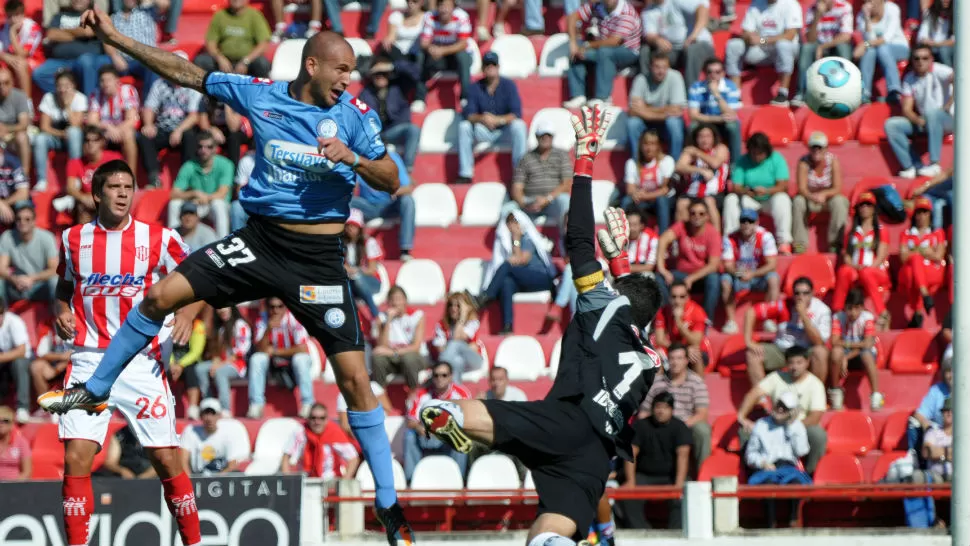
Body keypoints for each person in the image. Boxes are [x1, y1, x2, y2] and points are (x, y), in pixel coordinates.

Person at [39, 19, 415, 542]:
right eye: (341, 69)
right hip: (261, 243)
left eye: (351, 72)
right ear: (311, 65)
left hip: (318, 262)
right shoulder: (259, 97)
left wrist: (352, 158)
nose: (347, 80)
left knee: (355, 379)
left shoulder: (352, 118)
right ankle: (96, 391)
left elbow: (392, 179)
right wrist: (116, 39)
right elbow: (185, 71)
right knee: (159, 295)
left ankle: (389, 506)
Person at [419, 107, 665, 546]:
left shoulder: (599, 304)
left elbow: (577, 239)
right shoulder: (652, 358)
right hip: (596, 453)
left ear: (619, 292)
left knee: (495, 416)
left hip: (567, 417)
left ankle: (452, 413)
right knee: (549, 532)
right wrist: (622, 260)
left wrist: (585, 162)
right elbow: (633, 305)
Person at [43, 160, 203, 546]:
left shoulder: (159, 238)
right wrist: (62, 311)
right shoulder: (73, 240)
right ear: (97, 194)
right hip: (88, 358)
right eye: (114, 187)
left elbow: (201, 278)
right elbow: (62, 292)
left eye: (128, 187)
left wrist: (186, 313)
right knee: (76, 458)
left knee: (166, 460)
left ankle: (195, 543)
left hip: (142, 362)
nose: (122, 194)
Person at [737, 345, 827, 474]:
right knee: (744, 431)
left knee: (818, 434)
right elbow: (754, 393)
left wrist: (793, 427)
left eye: (799, 362)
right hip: (774, 423)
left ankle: (811, 473)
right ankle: (751, 474)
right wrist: (742, 417)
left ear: (807, 362)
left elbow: (815, 417)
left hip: (801, 425)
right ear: (786, 363)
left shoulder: (815, 384)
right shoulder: (776, 377)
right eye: (791, 363)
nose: (794, 366)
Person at [478, 210, 558, 334]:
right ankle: (507, 326)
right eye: (509, 223)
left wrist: (516, 238)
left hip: (541, 277)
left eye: (514, 222)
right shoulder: (507, 241)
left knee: (507, 266)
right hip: (524, 279)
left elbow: (521, 259)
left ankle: (488, 295)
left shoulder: (527, 238)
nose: (511, 226)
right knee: (506, 283)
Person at [620, 392, 689, 530]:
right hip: (644, 476)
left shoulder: (680, 427)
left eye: (665, 407)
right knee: (627, 496)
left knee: (684, 496)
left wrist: (679, 484)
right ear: (652, 408)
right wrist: (631, 481)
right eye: (657, 406)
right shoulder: (640, 426)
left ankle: (675, 534)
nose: (661, 411)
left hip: (671, 476)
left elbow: (683, 455)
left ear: (671, 409)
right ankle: (641, 532)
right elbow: (630, 453)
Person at [743, 276, 831, 384]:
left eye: (805, 293)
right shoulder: (783, 305)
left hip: (805, 351)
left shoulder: (822, 310)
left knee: (820, 352)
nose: (800, 297)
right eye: (797, 293)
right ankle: (763, 398)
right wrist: (748, 342)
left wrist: (803, 315)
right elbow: (751, 312)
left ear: (812, 293)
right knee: (752, 354)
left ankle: (816, 395)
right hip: (782, 350)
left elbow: (819, 342)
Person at [457, 51, 527, 184]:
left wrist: (498, 119)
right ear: (482, 68)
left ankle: (520, 174)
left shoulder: (509, 85)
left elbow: (516, 113)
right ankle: (465, 174)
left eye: (493, 64)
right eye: (487, 65)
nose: (490, 68)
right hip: (483, 131)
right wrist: (482, 118)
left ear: (498, 67)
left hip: (504, 131)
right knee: (464, 127)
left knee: (519, 126)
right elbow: (468, 114)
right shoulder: (474, 87)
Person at [884, 45, 953, 179]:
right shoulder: (909, 78)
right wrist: (917, 120)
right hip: (926, 120)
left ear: (931, 59)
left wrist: (949, 104)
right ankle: (911, 166)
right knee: (891, 125)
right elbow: (907, 109)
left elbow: (960, 79)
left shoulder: (939, 69)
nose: (921, 61)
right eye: (917, 58)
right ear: (912, 60)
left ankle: (935, 164)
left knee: (933, 114)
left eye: (925, 58)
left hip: (949, 119)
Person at [744, 390, 811, 526]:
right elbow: (750, 454)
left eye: (785, 407)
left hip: (788, 467)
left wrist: (791, 426)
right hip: (767, 468)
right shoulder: (761, 425)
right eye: (778, 404)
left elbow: (802, 451)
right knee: (768, 484)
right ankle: (770, 524)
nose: (780, 409)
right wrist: (762, 463)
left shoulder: (797, 426)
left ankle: (793, 521)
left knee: (796, 483)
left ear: (792, 411)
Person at [137, 54, 203, 188]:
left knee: (189, 136)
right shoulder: (159, 84)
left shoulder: (192, 86)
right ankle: (154, 178)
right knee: (144, 136)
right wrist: (149, 125)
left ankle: (187, 180)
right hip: (163, 128)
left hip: (183, 129)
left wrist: (178, 130)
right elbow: (149, 108)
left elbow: (193, 116)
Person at [640, 344, 711, 467]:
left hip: (686, 424)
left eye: (679, 358)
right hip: (659, 424)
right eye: (672, 358)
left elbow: (702, 414)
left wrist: (679, 427)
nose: (675, 362)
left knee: (703, 430)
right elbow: (644, 412)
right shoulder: (657, 382)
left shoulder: (696, 382)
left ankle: (703, 474)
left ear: (686, 360)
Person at [723, 132, 794, 254]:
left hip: (770, 199)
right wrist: (746, 191)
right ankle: (730, 240)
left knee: (783, 199)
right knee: (731, 199)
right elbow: (736, 186)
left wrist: (767, 191)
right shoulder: (742, 161)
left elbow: (783, 185)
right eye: (754, 153)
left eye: (760, 153)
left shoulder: (777, 159)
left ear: (767, 152)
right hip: (749, 199)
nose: (756, 157)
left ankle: (783, 242)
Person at [563, 0, 642, 108]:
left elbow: (614, 41)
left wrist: (587, 45)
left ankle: (603, 98)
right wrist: (573, 43)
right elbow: (572, 17)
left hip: (628, 51)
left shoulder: (627, 13)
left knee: (604, 52)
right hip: (602, 47)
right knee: (577, 50)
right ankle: (578, 95)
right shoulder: (597, 5)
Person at [724, 0, 803, 106]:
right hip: (761, 50)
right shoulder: (756, 3)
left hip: (787, 51)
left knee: (783, 45)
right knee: (733, 45)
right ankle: (735, 93)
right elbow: (746, 31)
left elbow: (790, 35)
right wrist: (749, 37)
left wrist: (762, 40)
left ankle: (783, 93)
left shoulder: (791, 4)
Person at [248, 297, 315, 419]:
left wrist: (275, 351)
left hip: (293, 358)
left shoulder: (295, 318)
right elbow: (259, 349)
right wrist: (268, 330)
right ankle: (256, 405)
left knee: (300, 359)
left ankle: (308, 404)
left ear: (285, 307)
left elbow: (302, 348)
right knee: (256, 359)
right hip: (273, 362)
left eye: (280, 306)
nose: (276, 310)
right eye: (272, 307)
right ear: (267, 308)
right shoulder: (262, 320)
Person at [655, 198, 721, 320]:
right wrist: (661, 268)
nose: (697, 216)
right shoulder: (682, 226)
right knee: (659, 278)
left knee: (714, 279)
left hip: (701, 276)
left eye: (701, 213)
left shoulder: (712, 233)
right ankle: (667, 316)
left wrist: (692, 278)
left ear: (707, 216)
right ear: (688, 214)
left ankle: (706, 319)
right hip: (681, 274)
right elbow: (663, 239)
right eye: (693, 213)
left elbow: (713, 265)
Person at [832, 192, 891, 329]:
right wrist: (854, 266)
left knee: (867, 273)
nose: (864, 208)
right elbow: (846, 255)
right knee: (844, 271)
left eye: (868, 205)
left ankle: (882, 312)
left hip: (876, 271)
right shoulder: (852, 231)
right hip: (856, 269)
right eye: (862, 205)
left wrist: (868, 268)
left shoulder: (881, 230)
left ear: (873, 208)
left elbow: (881, 255)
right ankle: (838, 311)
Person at [404, 362, 472, 480]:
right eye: (436, 375)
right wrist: (419, 427)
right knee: (409, 436)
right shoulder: (422, 394)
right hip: (426, 438)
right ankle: (411, 481)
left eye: (444, 375)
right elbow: (410, 421)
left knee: (462, 437)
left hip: (450, 439)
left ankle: (459, 481)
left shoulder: (461, 394)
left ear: (451, 376)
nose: (440, 378)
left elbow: (469, 420)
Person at [720, 208, 781, 334]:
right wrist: (740, 274)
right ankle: (731, 321)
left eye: (750, 221)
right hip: (739, 276)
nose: (747, 224)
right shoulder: (730, 238)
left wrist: (752, 274)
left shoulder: (765, 236)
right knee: (725, 280)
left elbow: (772, 265)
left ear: (757, 223)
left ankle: (769, 319)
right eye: (743, 221)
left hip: (759, 276)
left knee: (774, 278)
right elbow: (728, 265)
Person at [34, 0, 110, 97]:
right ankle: (66, 100)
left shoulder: (92, 15)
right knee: (39, 74)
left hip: (85, 60)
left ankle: (88, 104)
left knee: (86, 62)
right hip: (61, 61)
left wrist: (62, 32)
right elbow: (51, 34)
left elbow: (88, 32)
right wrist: (78, 33)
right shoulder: (60, 15)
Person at [351, 151, 416, 261]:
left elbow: (408, 188)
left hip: (389, 205)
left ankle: (405, 249)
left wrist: (394, 191)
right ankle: (343, 248)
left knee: (408, 201)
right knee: (342, 201)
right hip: (367, 206)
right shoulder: (357, 158)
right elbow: (352, 188)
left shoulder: (392, 158)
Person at [358, 58, 420, 173]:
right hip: (376, 134)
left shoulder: (399, 87)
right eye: (377, 74)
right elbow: (362, 119)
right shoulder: (365, 94)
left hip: (395, 130)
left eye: (384, 73)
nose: (381, 76)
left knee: (413, 129)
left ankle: (407, 170)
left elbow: (416, 73)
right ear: (371, 75)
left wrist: (392, 65)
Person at [167, 131, 234, 237]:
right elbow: (173, 194)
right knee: (174, 204)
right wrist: (194, 193)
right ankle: (172, 243)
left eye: (209, 147)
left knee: (218, 204)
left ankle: (222, 243)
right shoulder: (189, 165)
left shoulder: (226, 164)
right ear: (196, 148)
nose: (204, 150)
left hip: (216, 205)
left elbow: (222, 194)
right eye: (200, 146)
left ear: (215, 148)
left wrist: (203, 197)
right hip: (196, 205)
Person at [792, 132, 850, 254]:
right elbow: (802, 188)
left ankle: (835, 243)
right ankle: (800, 244)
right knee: (798, 201)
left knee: (840, 202)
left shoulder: (833, 161)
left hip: (828, 199)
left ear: (826, 149)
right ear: (809, 148)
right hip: (809, 198)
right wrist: (812, 196)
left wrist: (824, 194)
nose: (816, 150)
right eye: (814, 147)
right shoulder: (803, 162)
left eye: (820, 147)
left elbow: (837, 188)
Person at [626, 50, 687, 164]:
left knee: (674, 123)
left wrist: (646, 108)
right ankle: (637, 164)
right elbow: (632, 110)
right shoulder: (641, 79)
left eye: (664, 67)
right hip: (649, 123)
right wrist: (665, 110)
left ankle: (674, 166)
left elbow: (677, 110)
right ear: (650, 67)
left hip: (665, 124)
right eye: (657, 67)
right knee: (632, 123)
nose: (661, 71)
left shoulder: (675, 77)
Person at [638, 0, 714, 88]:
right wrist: (657, 40)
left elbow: (702, 8)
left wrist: (693, 35)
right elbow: (649, 35)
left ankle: (691, 93)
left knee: (692, 50)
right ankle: (647, 89)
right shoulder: (648, 11)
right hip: (674, 49)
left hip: (699, 44)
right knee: (645, 51)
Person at [510, 121, 573, 226]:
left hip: (553, 201)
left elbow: (567, 184)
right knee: (507, 210)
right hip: (529, 200)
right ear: (536, 136)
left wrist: (547, 199)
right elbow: (517, 187)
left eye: (548, 135)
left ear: (553, 137)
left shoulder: (562, 156)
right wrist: (523, 204)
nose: (545, 138)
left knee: (565, 202)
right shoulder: (526, 158)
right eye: (542, 135)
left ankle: (566, 241)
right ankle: (510, 242)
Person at [828, 288, 881, 411]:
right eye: (849, 308)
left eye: (856, 308)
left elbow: (868, 344)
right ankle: (836, 392)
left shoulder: (867, 317)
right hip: (847, 352)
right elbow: (834, 342)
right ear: (845, 308)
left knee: (866, 355)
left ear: (862, 308)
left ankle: (875, 395)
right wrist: (857, 344)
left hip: (861, 355)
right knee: (836, 352)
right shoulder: (838, 317)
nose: (852, 312)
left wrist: (846, 357)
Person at [414, 0, 473, 111]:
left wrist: (442, 50)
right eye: (440, 5)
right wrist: (431, 49)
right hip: (438, 58)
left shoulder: (462, 17)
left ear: (453, 7)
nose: (443, 9)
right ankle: (419, 98)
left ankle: (465, 98)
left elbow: (463, 44)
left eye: (447, 6)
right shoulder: (429, 16)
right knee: (420, 56)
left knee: (463, 56)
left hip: (456, 59)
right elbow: (424, 42)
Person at [34, 71, 87, 192]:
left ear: (73, 85)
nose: (62, 89)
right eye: (59, 86)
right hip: (56, 137)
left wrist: (67, 106)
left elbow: (75, 125)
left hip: (74, 139)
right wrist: (61, 134)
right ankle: (41, 180)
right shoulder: (49, 98)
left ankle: (75, 177)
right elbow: (44, 127)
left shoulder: (80, 98)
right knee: (40, 138)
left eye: (66, 86)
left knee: (74, 132)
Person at [898, 196, 946, 328]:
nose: (921, 216)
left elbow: (939, 255)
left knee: (913, 265)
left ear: (930, 214)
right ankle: (924, 298)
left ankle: (917, 311)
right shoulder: (906, 233)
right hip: (913, 274)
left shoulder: (937, 233)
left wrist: (915, 252)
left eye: (925, 212)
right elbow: (902, 257)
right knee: (913, 267)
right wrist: (924, 252)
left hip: (932, 272)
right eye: (919, 212)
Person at [794, 0, 853, 105]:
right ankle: (802, 93)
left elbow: (846, 37)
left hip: (835, 45)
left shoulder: (844, 7)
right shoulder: (813, 9)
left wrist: (822, 47)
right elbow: (810, 39)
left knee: (843, 48)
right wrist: (817, 16)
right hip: (818, 45)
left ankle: (846, 92)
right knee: (806, 48)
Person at [195, 306, 252, 415]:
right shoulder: (221, 328)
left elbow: (240, 353)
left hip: (238, 365)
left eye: (225, 307)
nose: (222, 310)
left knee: (220, 372)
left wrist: (219, 365)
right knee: (200, 368)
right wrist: (216, 362)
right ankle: (209, 403)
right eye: (219, 308)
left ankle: (225, 409)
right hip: (223, 362)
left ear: (231, 308)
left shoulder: (241, 325)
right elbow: (218, 353)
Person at [195, 0, 272, 78]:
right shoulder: (220, 15)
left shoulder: (255, 15)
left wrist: (246, 61)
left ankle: (260, 88)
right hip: (224, 61)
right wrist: (220, 58)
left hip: (248, 61)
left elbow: (263, 44)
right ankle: (201, 88)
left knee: (262, 63)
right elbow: (210, 43)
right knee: (201, 61)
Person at [281, 402, 360, 478]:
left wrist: (344, 481)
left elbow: (353, 459)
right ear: (308, 419)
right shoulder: (301, 431)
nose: (317, 422)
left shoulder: (335, 433)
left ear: (326, 420)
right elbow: (286, 456)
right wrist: (288, 481)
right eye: (313, 418)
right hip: (306, 479)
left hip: (330, 480)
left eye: (321, 418)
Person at [0, 202, 59, 303]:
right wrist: (14, 279)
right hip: (16, 285)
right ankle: (2, 315)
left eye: (27, 219)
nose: (22, 222)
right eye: (19, 219)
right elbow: (1, 268)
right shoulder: (7, 237)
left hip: (40, 285)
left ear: (34, 221)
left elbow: (54, 269)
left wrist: (32, 279)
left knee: (55, 282)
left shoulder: (47, 237)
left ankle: (59, 316)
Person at [674, 122, 730, 228]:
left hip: (714, 193)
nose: (704, 140)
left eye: (708, 136)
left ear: (714, 138)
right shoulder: (691, 151)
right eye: (701, 136)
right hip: (692, 193)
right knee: (682, 203)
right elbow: (679, 167)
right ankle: (681, 240)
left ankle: (716, 240)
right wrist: (700, 170)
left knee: (709, 202)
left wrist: (697, 153)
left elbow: (715, 163)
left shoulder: (720, 148)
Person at [62, 126, 123, 223]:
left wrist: (99, 199)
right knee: (82, 208)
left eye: (95, 140)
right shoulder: (75, 163)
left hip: (108, 200)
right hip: (87, 202)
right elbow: (70, 188)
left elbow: (120, 184)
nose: (90, 143)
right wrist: (84, 198)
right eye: (87, 140)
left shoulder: (114, 158)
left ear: (102, 142)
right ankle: (86, 237)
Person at [371, 285, 428, 388]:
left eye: (398, 299)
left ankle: (414, 393)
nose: (395, 303)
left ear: (405, 300)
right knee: (377, 359)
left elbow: (415, 347)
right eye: (392, 299)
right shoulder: (382, 318)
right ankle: (379, 394)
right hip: (391, 359)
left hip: (412, 357)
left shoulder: (417, 316)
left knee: (408, 359)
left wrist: (393, 352)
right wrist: (388, 321)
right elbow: (381, 346)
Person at [87, 66, 139, 174]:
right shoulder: (95, 94)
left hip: (123, 130)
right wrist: (108, 127)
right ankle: (95, 176)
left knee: (128, 134)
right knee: (91, 138)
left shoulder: (127, 91)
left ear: (117, 81)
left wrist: (117, 130)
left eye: (109, 80)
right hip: (105, 131)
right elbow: (92, 121)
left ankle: (131, 176)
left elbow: (131, 119)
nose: (105, 84)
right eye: (102, 80)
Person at [854, 0, 908, 104]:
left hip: (899, 47)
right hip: (876, 49)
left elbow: (887, 38)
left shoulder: (892, 8)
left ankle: (894, 90)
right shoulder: (862, 15)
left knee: (882, 48)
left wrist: (865, 45)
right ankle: (865, 93)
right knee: (869, 51)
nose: (869, 3)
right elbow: (870, 38)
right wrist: (867, 18)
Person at [687, 59, 742, 160]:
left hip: (723, 124)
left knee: (733, 126)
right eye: (709, 72)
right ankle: (692, 161)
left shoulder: (731, 86)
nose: (713, 75)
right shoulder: (696, 87)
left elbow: (731, 114)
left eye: (717, 72)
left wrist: (716, 94)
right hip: (706, 122)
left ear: (723, 73)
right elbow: (693, 115)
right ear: (704, 73)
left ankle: (736, 164)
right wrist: (719, 119)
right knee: (692, 126)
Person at [622, 130, 675, 233]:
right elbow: (630, 189)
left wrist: (644, 196)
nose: (649, 148)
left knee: (661, 200)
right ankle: (623, 235)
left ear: (658, 146)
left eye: (652, 144)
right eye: (646, 144)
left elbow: (665, 189)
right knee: (626, 201)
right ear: (640, 146)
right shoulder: (632, 163)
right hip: (642, 200)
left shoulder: (667, 161)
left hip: (662, 200)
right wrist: (636, 194)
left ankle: (663, 237)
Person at [181, 398, 249, 476]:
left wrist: (216, 480)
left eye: (213, 413)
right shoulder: (190, 431)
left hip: (221, 478)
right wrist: (190, 482)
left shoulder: (229, 432)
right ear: (200, 416)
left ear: (219, 416)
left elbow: (233, 463)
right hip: (197, 477)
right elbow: (183, 461)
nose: (209, 418)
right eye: (206, 413)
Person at [653, 282, 709, 373]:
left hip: (695, 350)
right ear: (669, 297)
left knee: (696, 356)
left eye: (682, 297)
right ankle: (659, 386)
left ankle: (699, 387)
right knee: (657, 357)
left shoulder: (697, 311)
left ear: (688, 297)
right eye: (674, 297)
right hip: (674, 349)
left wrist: (678, 322)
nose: (677, 301)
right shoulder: (663, 312)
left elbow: (696, 341)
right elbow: (659, 340)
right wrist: (684, 350)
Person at [432, 291, 485, 381]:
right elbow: (440, 350)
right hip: (456, 361)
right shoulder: (442, 325)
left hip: (474, 360)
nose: (453, 308)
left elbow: (456, 338)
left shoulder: (472, 322)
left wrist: (462, 317)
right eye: (451, 305)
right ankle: (455, 392)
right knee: (457, 361)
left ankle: (439, 371)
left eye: (458, 306)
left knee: (454, 344)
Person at [109, 0, 160, 92]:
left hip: (144, 60)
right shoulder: (114, 17)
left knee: (153, 66)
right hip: (121, 61)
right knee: (96, 63)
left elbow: (164, 4)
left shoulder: (148, 12)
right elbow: (107, 39)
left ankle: (148, 105)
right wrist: (114, 56)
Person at [343, 208, 384, 318]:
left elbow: (371, 270)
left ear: (360, 228)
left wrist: (356, 270)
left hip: (371, 282)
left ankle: (376, 316)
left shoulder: (369, 242)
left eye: (354, 225)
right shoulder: (341, 244)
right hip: (351, 282)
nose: (350, 228)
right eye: (348, 225)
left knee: (357, 278)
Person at [0, 1, 41, 104]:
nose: (13, 19)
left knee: (20, 64)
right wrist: (6, 57)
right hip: (10, 59)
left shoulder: (32, 27)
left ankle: (27, 105)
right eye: (10, 16)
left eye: (17, 15)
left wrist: (12, 33)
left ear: (23, 14)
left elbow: (22, 54)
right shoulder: (2, 28)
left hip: (34, 60)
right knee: (4, 71)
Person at [28, 322, 73, 412]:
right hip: (54, 368)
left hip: (74, 366)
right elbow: (41, 353)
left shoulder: (80, 327)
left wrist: (62, 365)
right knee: (36, 366)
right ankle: (46, 407)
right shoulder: (48, 328)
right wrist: (61, 357)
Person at [0, 297, 30, 424]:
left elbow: (21, 351)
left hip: (23, 362)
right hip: (4, 363)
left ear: (3, 312)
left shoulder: (14, 322)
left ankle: (23, 408)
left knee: (18, 362)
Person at [0, 67, 31, 178]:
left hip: (13, 135)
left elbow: (24, 124)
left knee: (22, 137)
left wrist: (6, 129)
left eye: (6, 83)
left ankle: (24, 176)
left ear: (12, 82)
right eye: (0, 83)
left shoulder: (19, 96)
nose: (2, 87)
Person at [921, 396, 953, 482]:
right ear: (942, 413)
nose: (949, 413)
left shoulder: (964, 435)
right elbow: (926, 452)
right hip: (935, 476)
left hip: (958, 478)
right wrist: (951, 453)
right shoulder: (933, 432)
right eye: (946, 410)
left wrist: (938, 453)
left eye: (952, 411)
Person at [916, 0, 953, 67]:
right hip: (933, 48)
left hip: (950, 50)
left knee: (943, 50)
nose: (946, 1)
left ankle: (950, 74)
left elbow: (955, 40)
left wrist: (937, 44)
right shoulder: (929, 13)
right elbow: (921, 36)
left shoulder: (956, 15)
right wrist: (925, 40)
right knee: (921, 52)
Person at [623, 209, 659, 276]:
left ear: (641, 225)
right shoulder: (621, 238)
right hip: (626, 274)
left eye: (635, 225)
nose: (631, 228)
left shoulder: (652, 238)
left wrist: (624, 268)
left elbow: (649, 267)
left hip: (644, 274)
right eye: (629, 224)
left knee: (648, 275)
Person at [0, 405, 30, 480]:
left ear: (12, 424)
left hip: (14, 486)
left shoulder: (21, 442)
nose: (1, 424)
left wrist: (14, 486)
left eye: (5, 421)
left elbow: (27, 471)